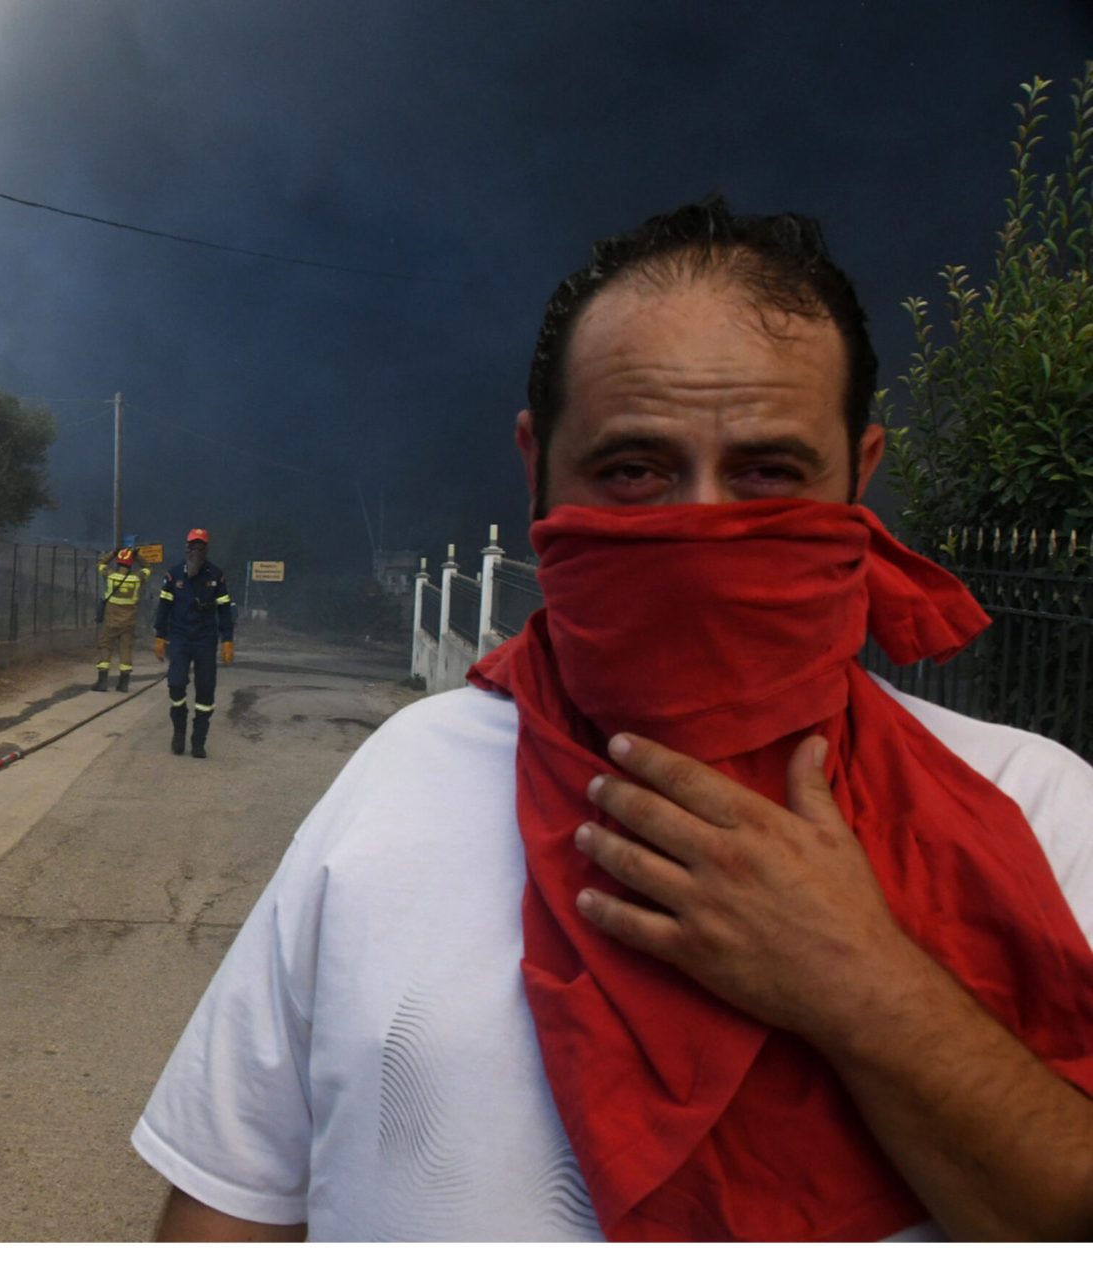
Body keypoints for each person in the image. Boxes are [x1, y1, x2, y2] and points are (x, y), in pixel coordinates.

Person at [131, 198, 1093, 1241]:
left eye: (768, 473)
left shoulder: (1037, 812)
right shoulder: (400, 777)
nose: (699, 529)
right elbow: (231, 1205)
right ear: (535, 461)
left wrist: (863, 987)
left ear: (857, 476)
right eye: (633, 470)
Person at [153, 529, 237, 758]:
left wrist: (227, 639)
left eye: (201, 545)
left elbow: (224, 610)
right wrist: (160, 635)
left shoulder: (216, 576)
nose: (196, 550)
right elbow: (164, 608)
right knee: (176, 684)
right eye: (193, 545)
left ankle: (198, 741)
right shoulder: (173, 576)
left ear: (206, 549)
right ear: (186, 547)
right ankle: (178, 733)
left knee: (206, 689)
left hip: (205, 639)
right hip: (179, 637)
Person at [95, 545, 153, 692]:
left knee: (105, 646)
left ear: (118, 561)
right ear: (130, 563)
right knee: (126, 648)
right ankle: (124, 683)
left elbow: (101, 564)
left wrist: (112, 553)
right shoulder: (137, 579)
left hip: (110, 620)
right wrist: (137, 556)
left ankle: (102, 682)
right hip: (128, 622)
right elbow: (147, 568)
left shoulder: (110, 576)